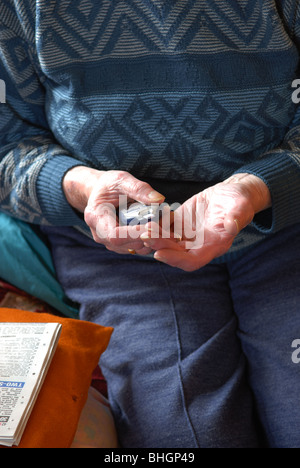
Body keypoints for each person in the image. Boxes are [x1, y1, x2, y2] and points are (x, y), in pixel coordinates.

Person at [0, 0, 300, 448]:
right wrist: (81, 187)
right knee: (181, 432)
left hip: (285, 225)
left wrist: (257, 189)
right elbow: (7, 148)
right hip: (116, 250)